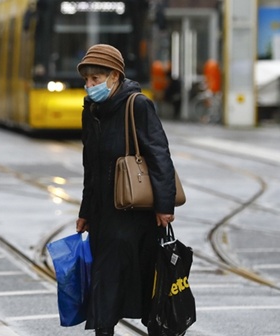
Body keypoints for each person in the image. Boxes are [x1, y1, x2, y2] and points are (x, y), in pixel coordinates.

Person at [75, 44, 178, 336]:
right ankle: (104, 330)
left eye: (96, 78)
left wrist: (164, 206)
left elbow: (159, 154)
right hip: (103, 214)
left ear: (115, 75)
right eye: (87, 80)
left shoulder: (137, 105)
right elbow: (90, 166)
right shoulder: (92, 110)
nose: (90, 85)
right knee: (104, 282)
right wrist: (85, 211)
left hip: (135, 214)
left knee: (142, 281)